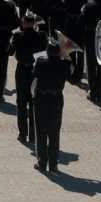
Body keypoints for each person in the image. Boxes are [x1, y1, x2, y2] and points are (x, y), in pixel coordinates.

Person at [30, 34, 74, 174]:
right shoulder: (65, 64)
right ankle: (53, 164)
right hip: (56, 98)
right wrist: (67, 59)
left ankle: (42, 162)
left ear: (47, 52)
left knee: (41, 131)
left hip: (41, 98)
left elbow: (34, 72)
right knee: (55, 132)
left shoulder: (41, 62)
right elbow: (71, 74)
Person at [10, 10, 44, 145]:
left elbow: (9, 51)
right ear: (34, 23)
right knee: (34, 103)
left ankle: (22, 134)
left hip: (22, 70)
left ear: (23, 23)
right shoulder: (42, 36)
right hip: (36, 70)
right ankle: (33, 134)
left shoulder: (17, 36)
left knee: (21, 103)